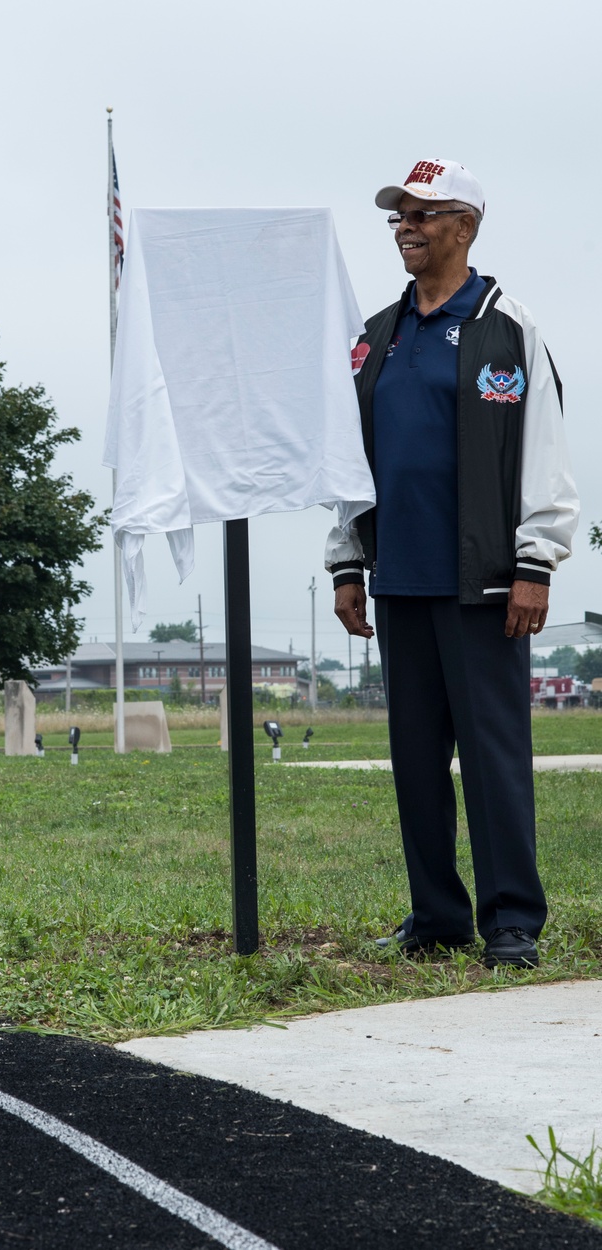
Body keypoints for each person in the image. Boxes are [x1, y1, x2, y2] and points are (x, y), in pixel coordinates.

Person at [326, 159, 578, 969]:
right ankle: (436, 918)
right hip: (398, 579)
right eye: (398, 214)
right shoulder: (375, 336)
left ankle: (512, 923)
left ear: (464, 226)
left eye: (423, 214)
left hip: (488, 587)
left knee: (494, 760)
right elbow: (349, 462)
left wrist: (536, 562)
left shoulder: (511, 328)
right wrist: (346, 564)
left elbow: (544, 453)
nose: (406, 225)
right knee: (416, 765)